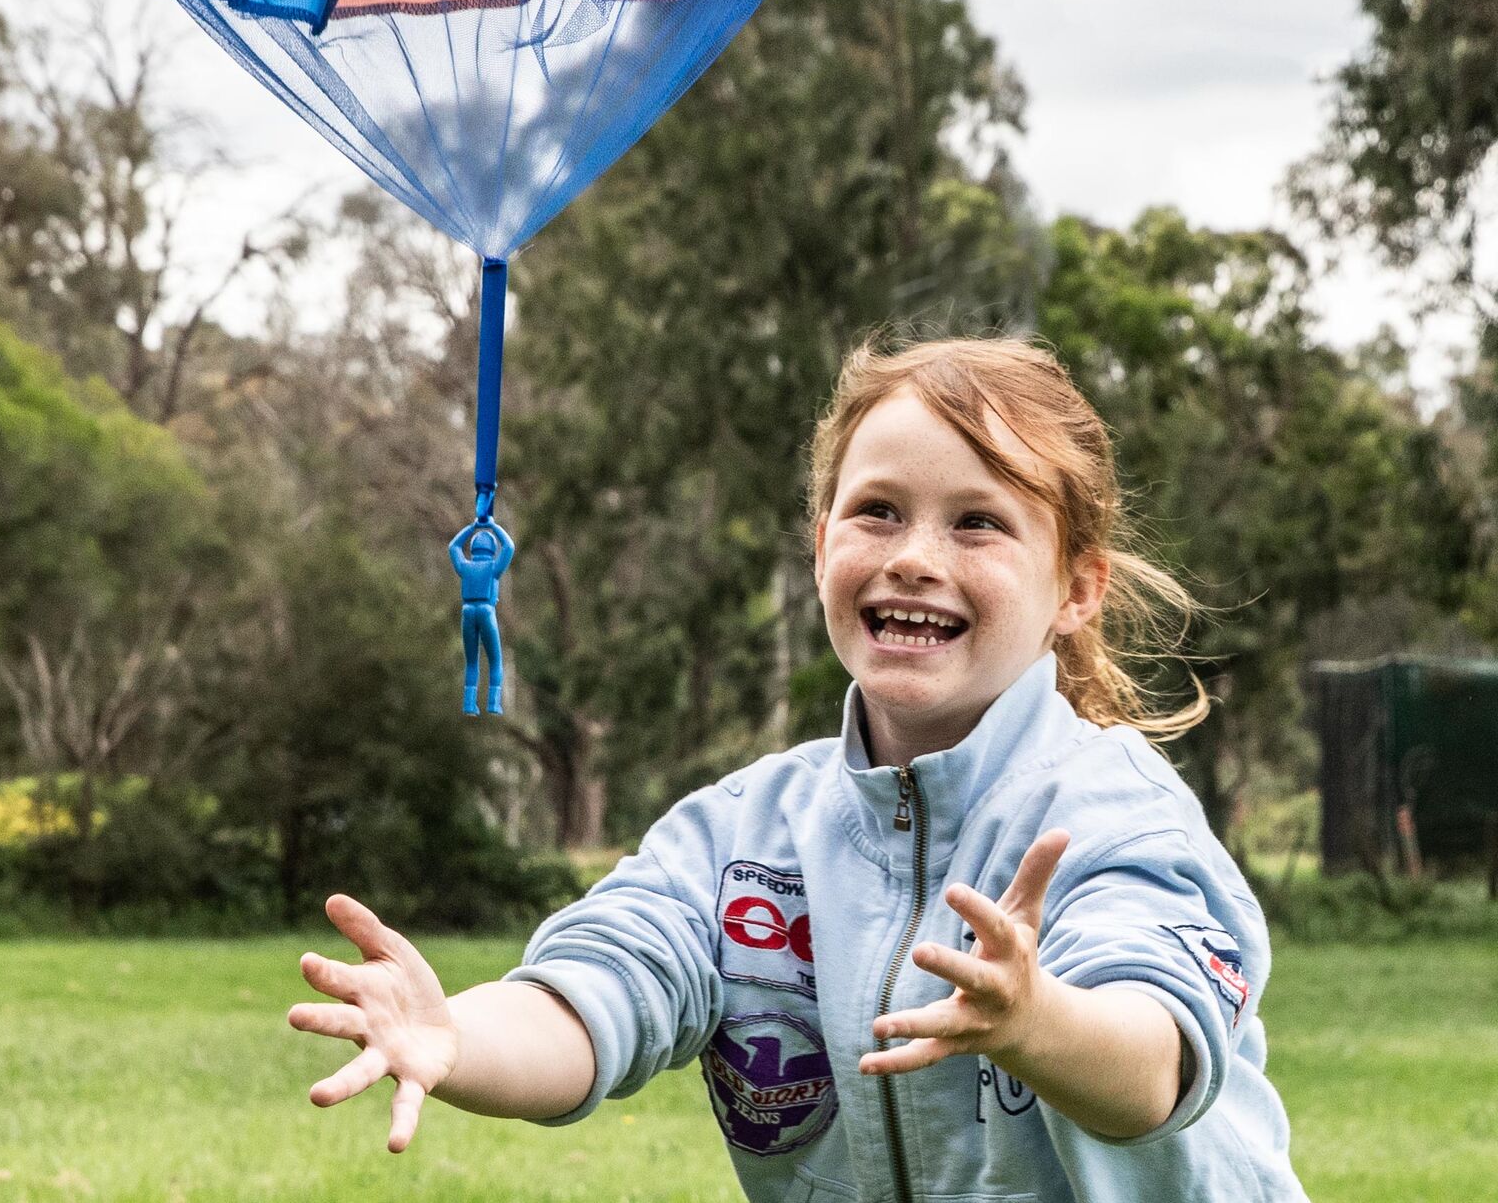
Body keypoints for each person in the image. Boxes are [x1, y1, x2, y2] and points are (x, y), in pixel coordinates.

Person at [288, 335, 1312, 1201]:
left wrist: (1040, 1021)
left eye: (977, 521)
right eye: (877, 511)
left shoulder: (1108, 813)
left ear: (1077, 589)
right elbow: (599, 996)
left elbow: (1157, 1061)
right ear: (821, 546)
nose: (914, 554)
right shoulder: (740, 836)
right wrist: (454, 1035)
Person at [447, 518, 515, 716]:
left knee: (471, 660)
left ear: (474, 549)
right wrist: (493, 526)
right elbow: (509, 546)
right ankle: (493, 703)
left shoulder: (465, 567)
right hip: (486, 611)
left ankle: (469, 703)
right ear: (492, 550)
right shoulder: (494, 568)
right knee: (495, 660)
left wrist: (472, 527)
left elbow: (453, 546)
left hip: (467, 611)